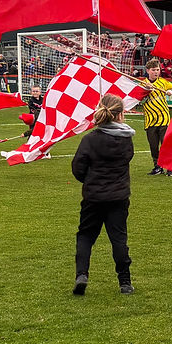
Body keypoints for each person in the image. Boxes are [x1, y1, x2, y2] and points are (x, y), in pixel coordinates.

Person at [70, 93, 135, 296]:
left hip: (94, 197)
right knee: (118, 238)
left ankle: (82, 274)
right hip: (118, 196)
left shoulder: (90, 139)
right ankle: (125, 282)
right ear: (121, 114)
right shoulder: (126, 140)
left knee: (86, 236)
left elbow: (78, 167)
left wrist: (90, 181)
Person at [140, 58, 172, 176]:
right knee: (153, 146)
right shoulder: (143, 84)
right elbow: (140, 102)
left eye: (158, 70)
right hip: (150, 121)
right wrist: (147, 92)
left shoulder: (162, 82)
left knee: (166, 144)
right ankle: (157, 166)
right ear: (148, 70)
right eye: (153, 70)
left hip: (164, 119)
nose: (156, 72)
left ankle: (169, 167)